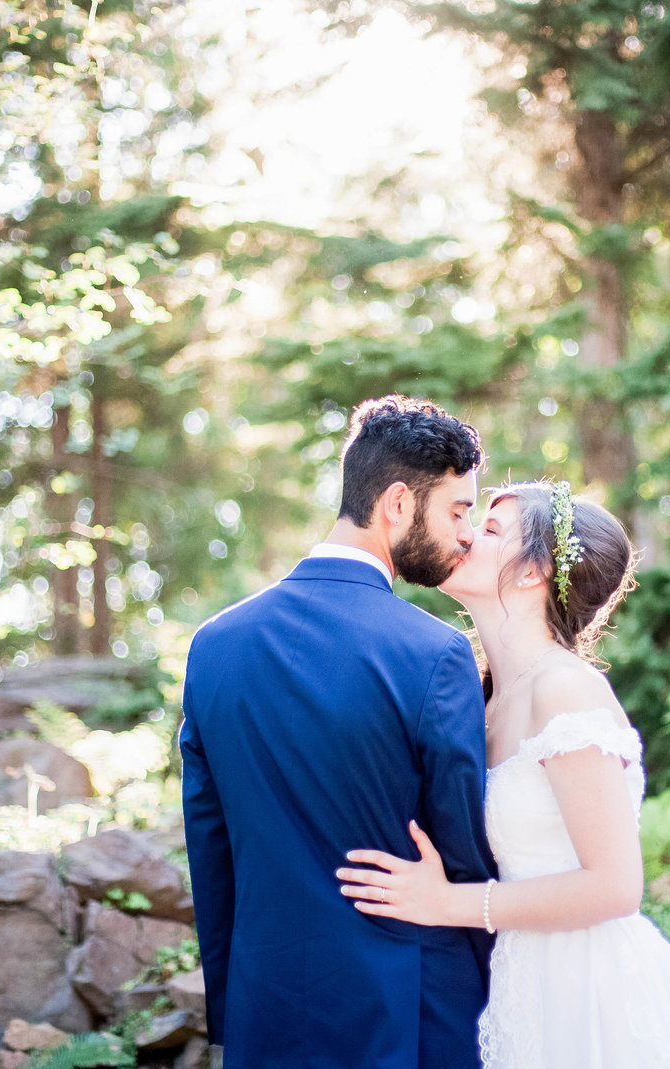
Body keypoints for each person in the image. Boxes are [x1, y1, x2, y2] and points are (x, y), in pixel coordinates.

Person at [337, 480, 670, 1069]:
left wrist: (447, 904)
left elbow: (616, 887)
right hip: (521, 980)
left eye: (491, 530)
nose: (465, 534)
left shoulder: (567, 690)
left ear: (533, 573)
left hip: (589, 996)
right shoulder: (481, 698)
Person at [180, 395, 496, 1069]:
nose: (466, 534)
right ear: (399, 504)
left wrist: (231, 1008)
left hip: (264, 1010)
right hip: (408, 1011)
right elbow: (463, 849)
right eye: (459, 511)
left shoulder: (214, 645)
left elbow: (212, 851)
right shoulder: (434, 654)